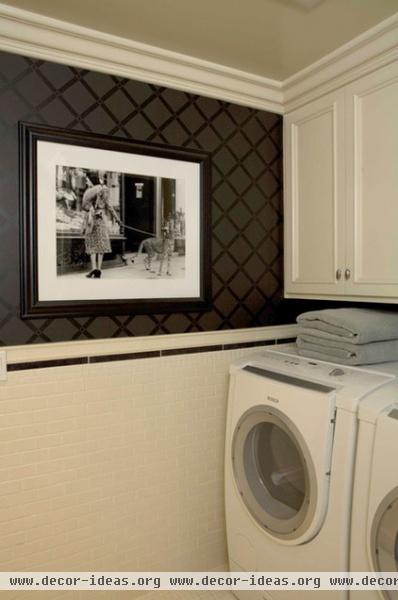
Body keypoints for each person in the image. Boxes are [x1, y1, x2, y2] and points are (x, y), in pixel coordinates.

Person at [82, 177, 121, 278]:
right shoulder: (104, 195)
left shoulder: (89, 196)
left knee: (91, 245)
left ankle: (93, 268)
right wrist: (117, 219)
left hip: (92, 223)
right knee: (101, 245)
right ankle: (99, 269)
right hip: (101, 222)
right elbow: (111, 208)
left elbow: (86, 209)